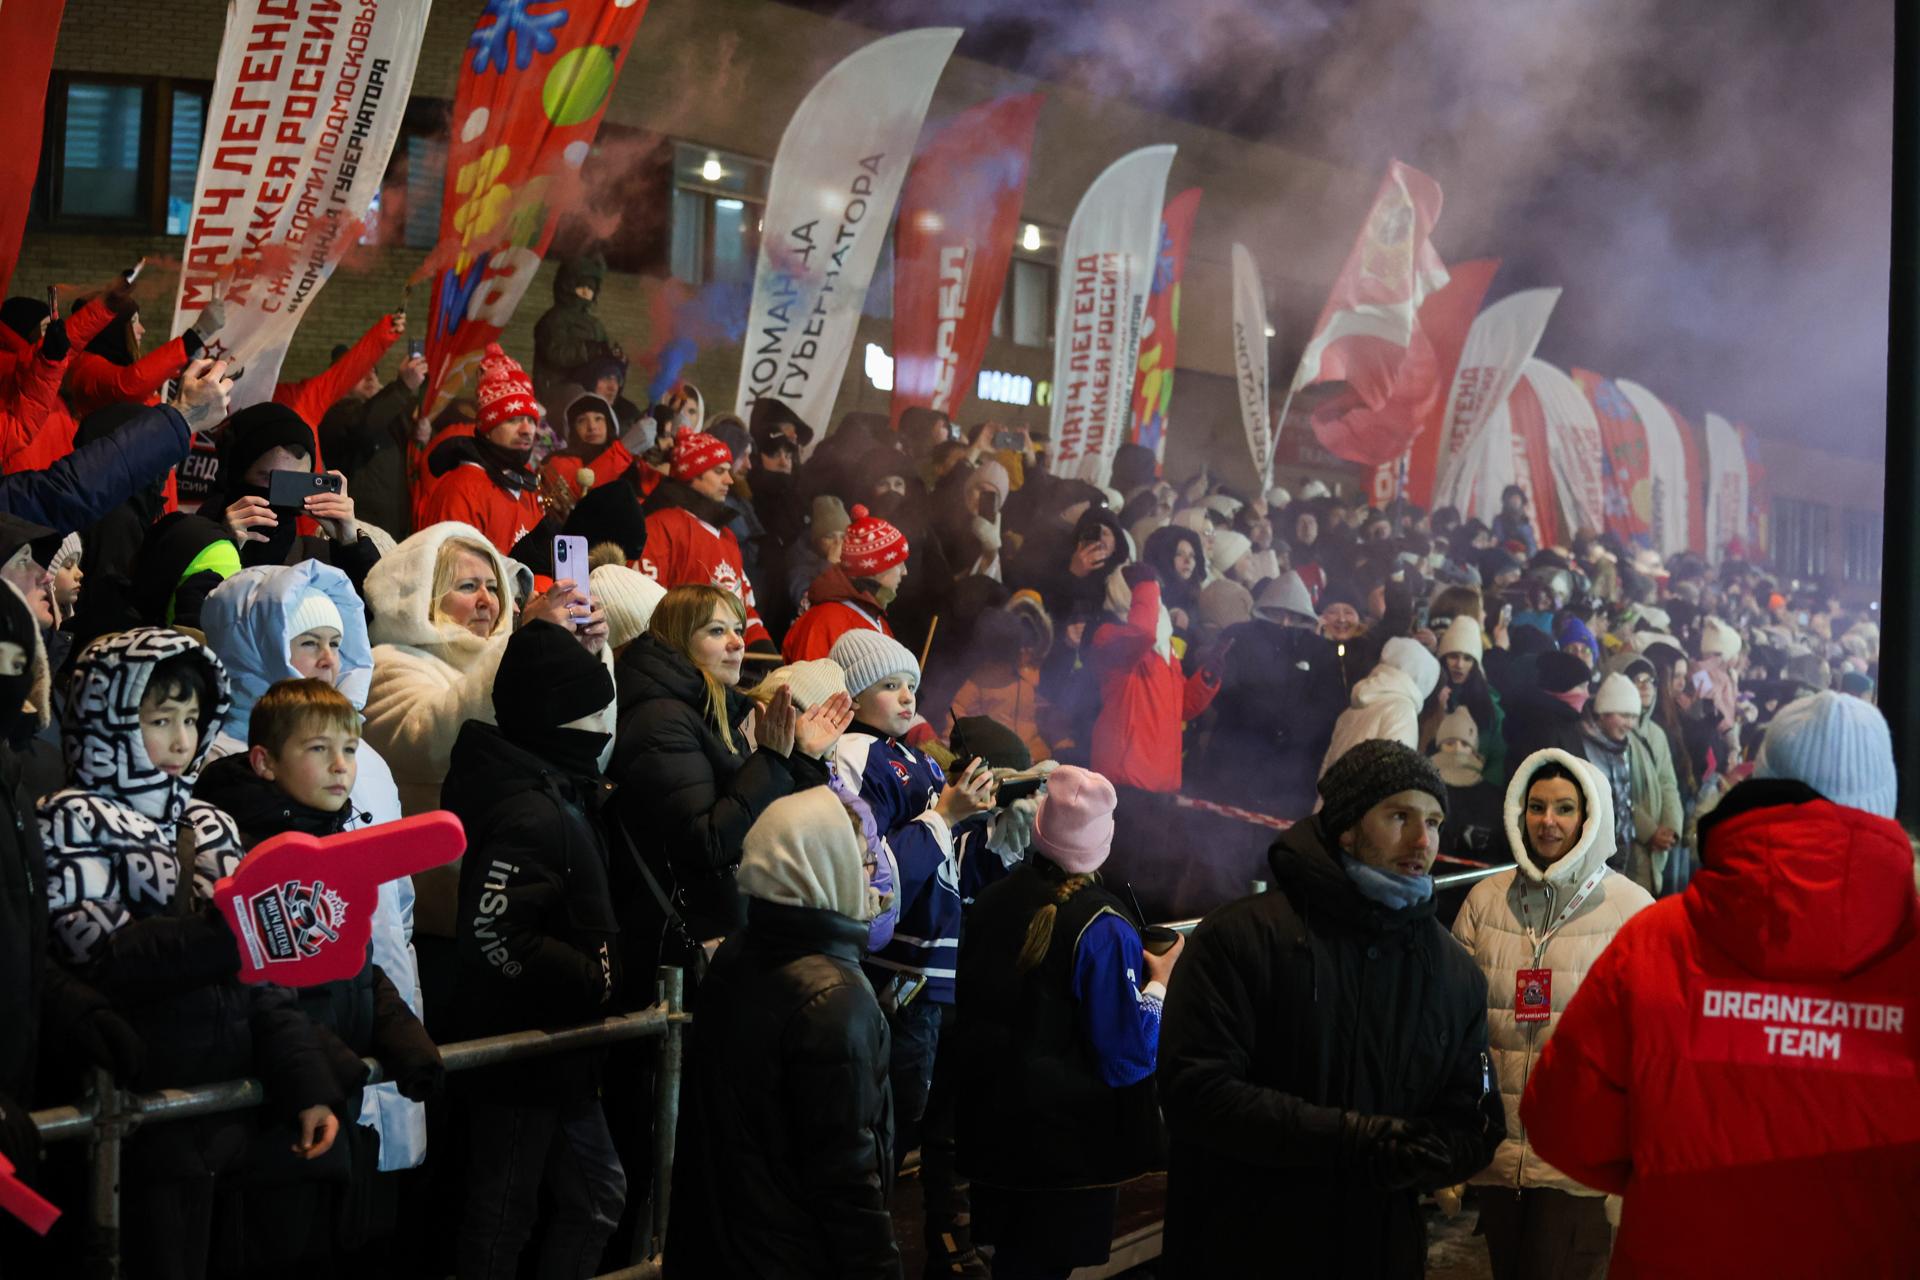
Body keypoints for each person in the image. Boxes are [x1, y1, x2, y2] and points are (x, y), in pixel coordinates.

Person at [1522, 691, 1920, 1276]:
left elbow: (1563, 1125)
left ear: (1762, 787)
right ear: (1883, 804)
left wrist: (1676, 1176)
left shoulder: (1654, 942)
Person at [42, 627, 346, 1278]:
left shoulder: (209, 823)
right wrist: (225, 934)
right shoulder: (71, 819)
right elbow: (97, 951)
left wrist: (305, 1082)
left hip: (226, 1120)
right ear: (107, 719)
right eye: (158, 719)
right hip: (129, 1123)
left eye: (191, 717)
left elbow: (263, 977)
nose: (182, 740)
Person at [1158, 739, 1502, 1277]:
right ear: (1346, 825)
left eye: (1433, 822)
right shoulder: (1242, 936)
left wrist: (1434, 1153)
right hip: (1243, 1246)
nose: (1422, 839)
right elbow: (1194, 1091)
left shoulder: (1453, 972)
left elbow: (1476, 1119)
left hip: (1378, 1250)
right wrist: (1352, 1139)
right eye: (1399, 816)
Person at [191, 679, 443, 1269]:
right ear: (263, 761)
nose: (341, 766)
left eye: (350, 750)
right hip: (273, 1119)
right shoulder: (243, 849)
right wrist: (326, 1059)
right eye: (318, 750)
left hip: (335, 1107)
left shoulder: (331, 838)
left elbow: (352, 959)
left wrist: (403, 1039)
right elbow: (261, 985)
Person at [198, 561, 427, 1170]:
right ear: (257, 647)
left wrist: (398, 1021)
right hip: (284, 1071)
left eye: (334, 642)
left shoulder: (366, 762)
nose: (328, 658)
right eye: (305, 642)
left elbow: (394, 912)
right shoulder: (219, 766)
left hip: (366, 1017)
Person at [444, 621, 628, 1280]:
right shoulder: (531, 808)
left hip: (560, 1049)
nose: (602, 726)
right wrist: (589, 976)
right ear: (556, 718)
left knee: (596, 1197)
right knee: (504, 1217)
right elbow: (494, 933)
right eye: (591, 712)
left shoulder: (554, 789)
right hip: (524, 1051)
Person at [665, 786, 900, 1278]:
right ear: (824, 867)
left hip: (724, 1246)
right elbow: (848, 1177)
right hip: (795, 1256)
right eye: (861, 862)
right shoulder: (835, 996)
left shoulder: (739, 952)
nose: (872, 875)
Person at [952, 767, 1175, 1279]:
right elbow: (1126, 1059)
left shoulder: (992, 899)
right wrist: (1159, 983)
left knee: (1012, 1262)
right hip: (1066, 1155)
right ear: (1104, 839)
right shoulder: (1104, 925)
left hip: (993, 1134)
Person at [1451, 750, 1652, 1278]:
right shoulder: (1484, 900)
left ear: (1590, 819)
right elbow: (1452, 1025)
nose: (1548, 822)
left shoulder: (1633, 910)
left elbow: (1650, 1050)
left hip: (1578, 1163)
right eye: (1536, 807)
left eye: (1564, 808)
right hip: (1498, 1155)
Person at [361, 522, 604, 933]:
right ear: (423, 596)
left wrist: (579, 658)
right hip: (441, 908)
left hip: (527, 887)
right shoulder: (388, 663)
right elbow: (435, 745)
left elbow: (588, 748)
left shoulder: (504, 652)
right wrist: (525, 648)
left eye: (493, 588)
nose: (486, 601)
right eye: (468, 586)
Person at [611, 585, 849, 975]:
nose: (738, 643)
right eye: (716, 631)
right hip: (680, 953)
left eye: (738, 629)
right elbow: (707, 841)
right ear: (678, 638)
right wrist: (772, 759)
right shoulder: (662, 718)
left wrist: (802, 758)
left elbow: (766, 822)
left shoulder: (712, 708)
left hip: (728, 935)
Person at [829, 628, 996, 1170]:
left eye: (912, 686)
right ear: (851, 697)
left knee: (908, 1120)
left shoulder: (917, 759)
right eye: (889, 685)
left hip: (925, 970)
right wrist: (947, 814)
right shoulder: (856, 754)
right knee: (882, 1126)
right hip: (894, 973)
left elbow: (946, 866)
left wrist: (987, 822)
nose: (907, 697)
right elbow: (876, 873)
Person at [204, 401, 380, 589]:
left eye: (295, 484)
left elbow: (379, 612)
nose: (279, 495)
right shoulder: (192, 535)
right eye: (268, 479)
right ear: (235, 474)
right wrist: (221, 548)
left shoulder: (318, 558)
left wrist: (351, 546)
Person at [1087, 566, 1221, 794]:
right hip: (1125, 781)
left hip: (1163, 783)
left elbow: (1179, 708)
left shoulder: (1165, 649)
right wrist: (1146, 585)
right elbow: (1141, 631)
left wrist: (1207, 677)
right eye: (1149, 592)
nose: (1158, 599)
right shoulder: (1109, 636)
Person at [641, 431, 776, 650]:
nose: (729, 480)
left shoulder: (727, 536)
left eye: (728, 471)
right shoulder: (661, 526)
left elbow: (743, 606)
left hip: (721, 663)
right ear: (692, 474)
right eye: (719, 471)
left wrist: (759, 643)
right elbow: (645, 607)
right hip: (678, 665)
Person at [418, 344, 546, 554]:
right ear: (487, 428)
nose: (527, 430)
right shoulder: (462, 488)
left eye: (530, 420)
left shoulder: (525, 484)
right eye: (513, 420)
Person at [1601, 651, 1685, 895]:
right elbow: (1615, 792)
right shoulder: (1613, 732)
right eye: (1637, 679)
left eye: (1650, 680)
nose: (1646, 686)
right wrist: (1650, 831)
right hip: (1629, 846)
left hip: (1657, 847)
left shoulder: (1656, 732)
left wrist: (1671, 828)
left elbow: (1668, 783)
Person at [782, 504, 908, 662]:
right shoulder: (822, 622)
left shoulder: (877, 618)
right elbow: (810, 685)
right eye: (899, 564)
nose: (905, 572)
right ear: (877, 568)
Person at [1320, 635, 1442, 777]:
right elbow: (1394, 776)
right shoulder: (1401, 711)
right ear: (1424, 678)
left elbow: (1326, 770)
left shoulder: (1352, 708)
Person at [1423, 614, 1506, 783]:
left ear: (1475, 664)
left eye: (1467, 658)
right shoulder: (1429, 696)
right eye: (1453, 656)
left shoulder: (1490, 706)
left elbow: (1498, 756)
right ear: (1443, 658)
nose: (1459, 665)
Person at [533, 254, 612, 407]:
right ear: (567, 286)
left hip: (588, 394)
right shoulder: (554, 319)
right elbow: (556, 353)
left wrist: (615, 360)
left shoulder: (595, 325)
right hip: (556, 394)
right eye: (581, 286)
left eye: (590, 288)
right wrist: (588, 350)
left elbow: (603, 355)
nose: (586, 292)